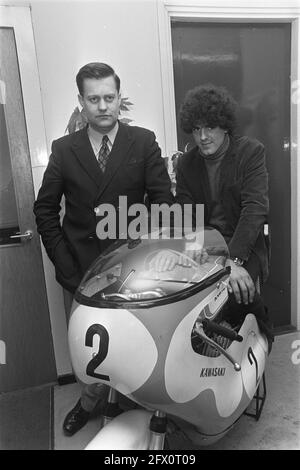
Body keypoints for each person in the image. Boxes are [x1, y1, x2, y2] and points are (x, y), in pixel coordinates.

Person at [33, 62, 174, 436]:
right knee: (90, 350)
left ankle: (136, 412)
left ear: (118, 96)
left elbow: (162, 205)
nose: (103, 106)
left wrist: (153, 260)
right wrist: (65, 266)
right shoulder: (64, 150)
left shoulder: (142, 141)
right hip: (81, 271)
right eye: (93, 99)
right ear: (81, 102)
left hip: (133, 272)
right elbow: (45, 210)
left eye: (109, 97)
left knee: (134, 346)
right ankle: (88, 403)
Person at [175, 84, 274, 346]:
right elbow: (186, 217)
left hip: (245, 244)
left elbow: (255, 209)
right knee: (187, 297)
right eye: (196, 129)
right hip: (206, 246)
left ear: (224, 125)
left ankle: (259, 340)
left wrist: (234, 261)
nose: (203, 136)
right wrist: (203, 253)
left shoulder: (250, 152)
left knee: (239, 292)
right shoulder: (187, 164)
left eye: (210, 127)